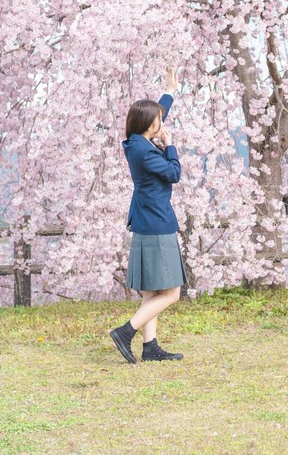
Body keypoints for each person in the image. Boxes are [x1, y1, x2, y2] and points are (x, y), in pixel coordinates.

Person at [109, 66, 188, 363]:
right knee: (171, 293)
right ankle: (125, 332)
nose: (161, 121)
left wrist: (169, 90)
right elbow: (174, 173)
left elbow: (157, 113)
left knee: (150, 291)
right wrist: (171, 146)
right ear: (150, 125)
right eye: (158, 120)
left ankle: (150, 347)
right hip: (157, 223)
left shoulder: (135, 143)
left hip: (144, 221)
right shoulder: (149, 152)